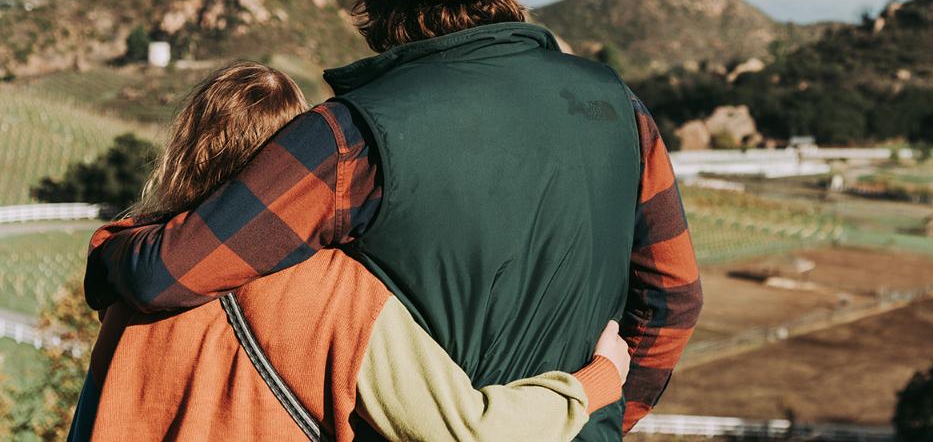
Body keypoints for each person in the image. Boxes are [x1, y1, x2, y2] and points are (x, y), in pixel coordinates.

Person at [85, 0, 703, 439]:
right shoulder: (618, 107)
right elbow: (674, 296)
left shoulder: (349, 134)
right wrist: (601, 416)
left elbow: (166, 274)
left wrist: (110, 251)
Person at [71, 61, 630, 441]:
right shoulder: (337, 293)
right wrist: (593, 382)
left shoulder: (132, 287)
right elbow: (466, 431)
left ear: (180, 154)